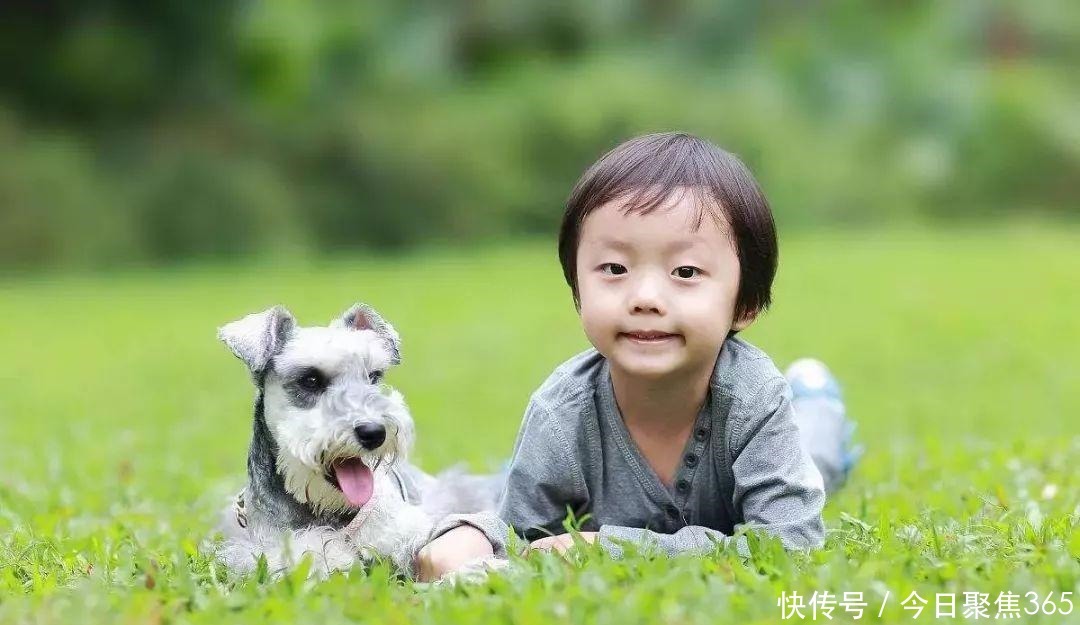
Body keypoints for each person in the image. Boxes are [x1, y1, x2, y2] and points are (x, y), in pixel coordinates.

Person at [416, 132, 861, 581]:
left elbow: (792, 544)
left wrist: (610, 547)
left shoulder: (755, 398)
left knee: (814, 464)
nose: (645, 297)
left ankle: (817, 402)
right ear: (577, 288)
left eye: (685, 272)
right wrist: (470, 536)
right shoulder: (561, 412)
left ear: (744, 303)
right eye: (615, 269)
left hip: (783, 431)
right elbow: (523, 538)